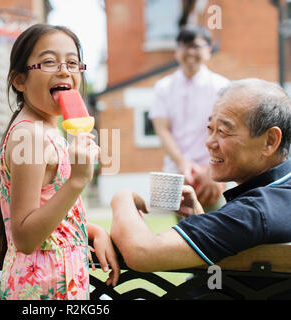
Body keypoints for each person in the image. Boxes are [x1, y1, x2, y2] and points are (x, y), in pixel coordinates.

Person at [111, 78, 291, 273]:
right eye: (209, 129)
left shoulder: (255, 211)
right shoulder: (277, 197)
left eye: (223, 131)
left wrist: (121, 198)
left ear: (270, 141)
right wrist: (202, 222)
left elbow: (143, 253)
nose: (209, 143)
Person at [0, 24, 120, 300]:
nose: (64, 70)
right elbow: (26, 237)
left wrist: (90, 230)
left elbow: (48, 210)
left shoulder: (45, 130)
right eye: (49, 62)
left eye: (73, 63)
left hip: (55, 280)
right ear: (19, 81)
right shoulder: (31, 135)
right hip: (43, 287)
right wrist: (77, 180)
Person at [149, 25, 230, 209]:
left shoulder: (222, 86)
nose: (191, 52)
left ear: (208, 51)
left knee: (214, 228)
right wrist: (181, 162)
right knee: (178, 232)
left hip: (213, 171)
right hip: (175, 170)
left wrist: (211, 168)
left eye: (197, 46)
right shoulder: (163, 87)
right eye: (185, 46)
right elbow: (161, 129)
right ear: (177, 51)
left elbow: (227, 131)